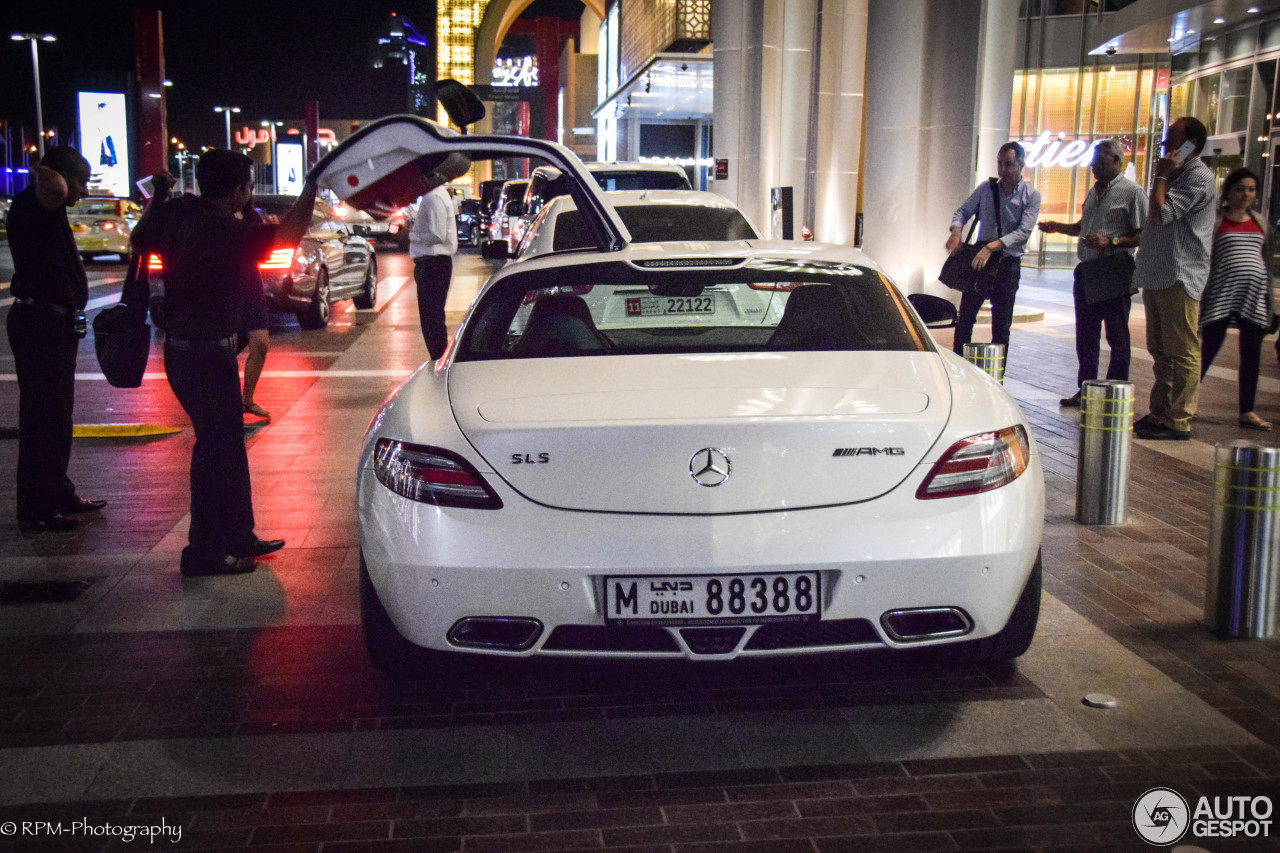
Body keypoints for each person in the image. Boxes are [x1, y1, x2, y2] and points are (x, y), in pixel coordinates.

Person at [133, 151, 315, 576]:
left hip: (187, 351)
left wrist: (159, 198)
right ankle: (204, 552)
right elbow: (288, 235)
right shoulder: (223, 229)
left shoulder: (178, 212)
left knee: (227, 446)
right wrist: (310, 189)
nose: (249, 193)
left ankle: (237, 533)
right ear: (237, 190)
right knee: (216, 451)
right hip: (203, 354)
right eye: (248, 186)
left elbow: (140, 240)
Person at [5, 147, 108, 531]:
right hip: (38, 322)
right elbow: (55, 187)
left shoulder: (50, 211)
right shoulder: (35, 204)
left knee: (58, 416)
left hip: (54, 323)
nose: (83, 190)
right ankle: (37, 507)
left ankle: (56, 490)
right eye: (81, 180)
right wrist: (44, 167)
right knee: (43, 417)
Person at [1037, 139, 1146, 407]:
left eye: (1098, 159)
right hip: (1088, 271)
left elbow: (1144, 234)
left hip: (1114, 269)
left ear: (1116, 160)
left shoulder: (1132, 193)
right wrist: (1057, 228)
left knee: (1117, 335)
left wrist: (1112, 242)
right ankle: (1086, 389)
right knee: (1086, 336)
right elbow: (1082, 227)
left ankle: (1113, 392)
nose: (1092, 165)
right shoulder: (1095, 192)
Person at [1132, 117, 1217, 441]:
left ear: (1190, 145)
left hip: (1179, 275)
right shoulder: (1178, 175)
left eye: (1173, 141)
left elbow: (1160, 213)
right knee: (1161, 350)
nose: (1166, 147)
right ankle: (1160, 413)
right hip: (1159, 274)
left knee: (1181, 350)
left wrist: (1162, 175)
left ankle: (1179, 419)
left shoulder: (1197, 178)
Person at [946, 141, 1042, 361]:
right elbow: (962, 211)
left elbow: (1023, 233)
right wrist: (956, 232)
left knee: (1001, 328)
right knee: (965, 320)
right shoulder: (986, 189)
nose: (1003, 170)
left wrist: (991, 247)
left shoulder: (1031, 196)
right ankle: (959, 367)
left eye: (1008, 165)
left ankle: (996, 378)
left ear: (1021, 165)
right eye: (1000, 164)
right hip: (980, 262)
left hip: (1007, 264)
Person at [1199, 168, 1277, 431]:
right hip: (1221, 293)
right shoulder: (1216, 221)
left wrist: (1271, 304)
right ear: (1228, 192)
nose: (1246, 194)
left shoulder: (1260, 222)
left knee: (1251, 353)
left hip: (1253, 297)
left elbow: (1266, 263)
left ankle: (1247, 410)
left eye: (1251, 189)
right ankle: (1183, 402)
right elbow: (1206, 257)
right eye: (1240, 189)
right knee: (1208, 348)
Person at [409, 184, 458, 360]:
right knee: (433, 317)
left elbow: (437, 234)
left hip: (433, 263)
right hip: (434, 263)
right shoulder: (436, 195)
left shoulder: (433, 197)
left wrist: (411, 234)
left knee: (431, 318)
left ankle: (439, 359)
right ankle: (438, 357)